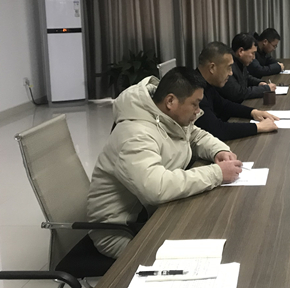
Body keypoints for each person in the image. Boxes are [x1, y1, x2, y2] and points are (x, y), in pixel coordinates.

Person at [87, 67, 243, 258]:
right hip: (122, 232)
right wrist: (217, 173)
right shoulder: (135, 134)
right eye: (195, 104)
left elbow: (194, 134)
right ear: (170, 101)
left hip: (152, 215)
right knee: (199, 255)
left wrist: (219, 150)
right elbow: (156, 188)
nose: (198, 111)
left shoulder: (164, 115)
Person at [195, 41, 279, 141]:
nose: (231, 73)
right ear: (212, 68)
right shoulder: (194, 91)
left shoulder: (205, 83)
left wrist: (253, 112)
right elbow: (217, 130)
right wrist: (258, 127)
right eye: (228, 67)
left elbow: (224, 105)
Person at [217, 33, 276, 103]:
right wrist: (264, 89)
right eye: (252, 53)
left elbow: (247, 77)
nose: (254, 58)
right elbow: (238, 93)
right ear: (241, 51)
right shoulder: (228, 65)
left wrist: (259, 83)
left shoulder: (240, 62)